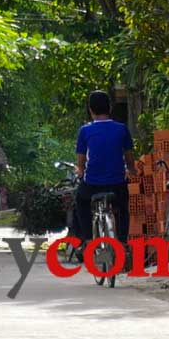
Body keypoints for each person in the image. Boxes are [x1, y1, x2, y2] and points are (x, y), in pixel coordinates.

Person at [74, 90, 137, 259]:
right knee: (123, 207)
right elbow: (129, 159)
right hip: (117, 184)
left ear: (90, 109)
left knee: (80, 201)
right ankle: (123, 243)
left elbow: (81, 162)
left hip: (92, 185)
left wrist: (80, 172)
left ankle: (87, 239)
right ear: (110, 108)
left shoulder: (85, 131)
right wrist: (132, 170)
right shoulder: (122, 129)